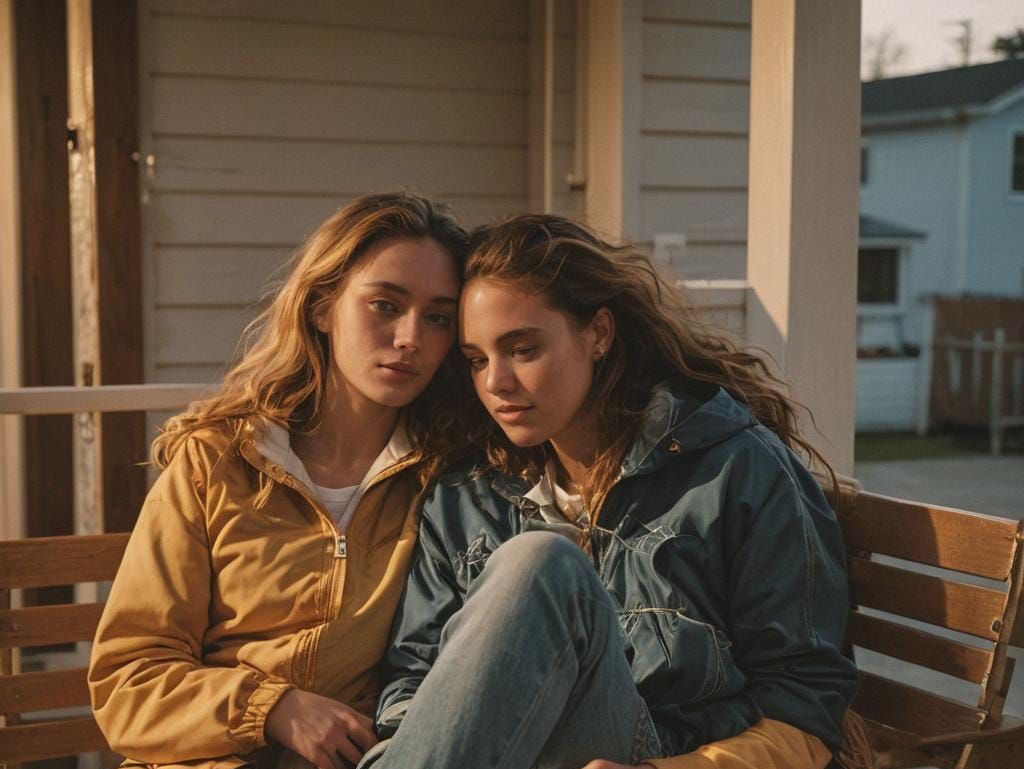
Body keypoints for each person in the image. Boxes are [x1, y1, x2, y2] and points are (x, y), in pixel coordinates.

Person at [367, 214, 859, 769]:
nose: (495, 383)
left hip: (648, 753)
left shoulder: (734, 469)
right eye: (477, 360)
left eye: (523, 349)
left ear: (597, 333)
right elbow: (413, 677)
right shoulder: (467, 494)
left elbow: (806, 708)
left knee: (541, 563)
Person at [88, 192, 469, 769]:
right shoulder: (216, 462)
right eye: (385, 305)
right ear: (322, 308)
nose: (411, 337)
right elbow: (128, 684)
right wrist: (274, 708)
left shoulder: (450, 480)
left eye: (438, 317)